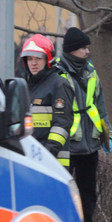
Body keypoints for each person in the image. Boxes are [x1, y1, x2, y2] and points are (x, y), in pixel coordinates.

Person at [54, 27, 110, 222]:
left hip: (89, 144)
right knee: (65, 193)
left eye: (88, 47)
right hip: (67, 144)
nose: (88, 52)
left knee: (88, 194)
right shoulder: (57, 72)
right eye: (83, 48)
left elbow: (100, 105)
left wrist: (107, 134)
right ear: (71, 50)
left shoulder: (91, 72)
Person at [19, 34, 74, 168]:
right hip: (31, 158)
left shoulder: (59, 85)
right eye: (30, 59)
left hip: (53, 162)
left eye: (38, 58)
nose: (33, 63)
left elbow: (62, 124)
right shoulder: (26, 85)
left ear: (48, 59)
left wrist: (47, 153)